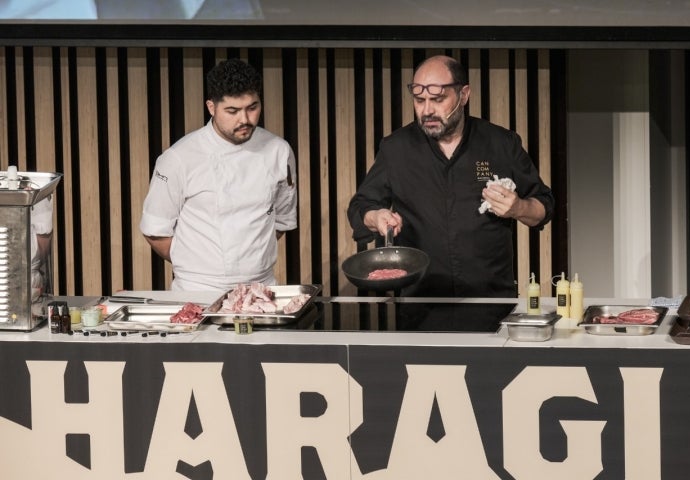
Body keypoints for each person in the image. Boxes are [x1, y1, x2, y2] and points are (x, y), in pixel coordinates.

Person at [347, 55, 554, 330]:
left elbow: (544, 206)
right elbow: (362, 205)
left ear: (464, 94)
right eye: (420, 101)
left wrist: (518, 208)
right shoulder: (396, 148)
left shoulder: (501, 143)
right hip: (420, 305)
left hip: (491, 303)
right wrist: (377, 216)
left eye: (438, 99)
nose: (427, 110)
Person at [140, 58, 297, 291]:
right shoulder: (179, 158)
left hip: (261, 287)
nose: (245, 119)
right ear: (211, 107)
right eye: (232, 111)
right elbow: (156, 231)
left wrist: (250, 262)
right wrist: (199, 265)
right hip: (197, 290)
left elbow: (281, 220)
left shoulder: (279, 151)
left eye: (252, 108)